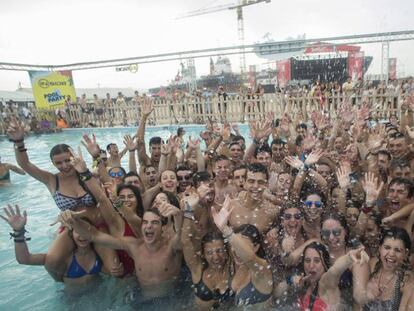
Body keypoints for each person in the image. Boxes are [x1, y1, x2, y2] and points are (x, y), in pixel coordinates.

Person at [6, 118, 119, 281]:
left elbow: (106, 185)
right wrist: (18, 141)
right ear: (52, 163)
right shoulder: (52, 180)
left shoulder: (88, 175)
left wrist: (96, 156)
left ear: (74, 157)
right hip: (71, 229)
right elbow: (25, 164)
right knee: (51, 262)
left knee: (114, 269)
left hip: (97, 226)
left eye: (67, 160)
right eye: (58, 163)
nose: (65, 165)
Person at [61, 203, 184, 301]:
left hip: (170, 299)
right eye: (145, 222)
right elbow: (94, 235)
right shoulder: (134, 246)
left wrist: (178, 215)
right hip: (142, 299)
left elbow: (181, 236)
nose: (149, 226)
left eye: (155, 222)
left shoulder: (171, 247)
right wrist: (74, 222)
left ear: (163, 228)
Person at [1, 204, 103, 292]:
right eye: (78, 231)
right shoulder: (63, 257)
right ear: (71, 233)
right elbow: (24, 259)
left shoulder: (100, 251)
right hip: (72, 300)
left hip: (98, 294)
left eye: (85, 231)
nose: (82, 236)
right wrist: (18, 231)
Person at [212, 195, 273, 307]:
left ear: (256, 247)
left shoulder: (263, 270)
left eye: (243, 245)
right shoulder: (231, 266)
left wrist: (225, 229)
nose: (237, 251)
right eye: (236, 245)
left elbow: (249, 257)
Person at [353, 227, 414, 310]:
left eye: (398, 250)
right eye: (387, 247)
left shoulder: (407, 281)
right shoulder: (369, 265)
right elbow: (357, 302)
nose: (391, 254)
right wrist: (365, 296)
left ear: (405, 253)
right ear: (380, 248)